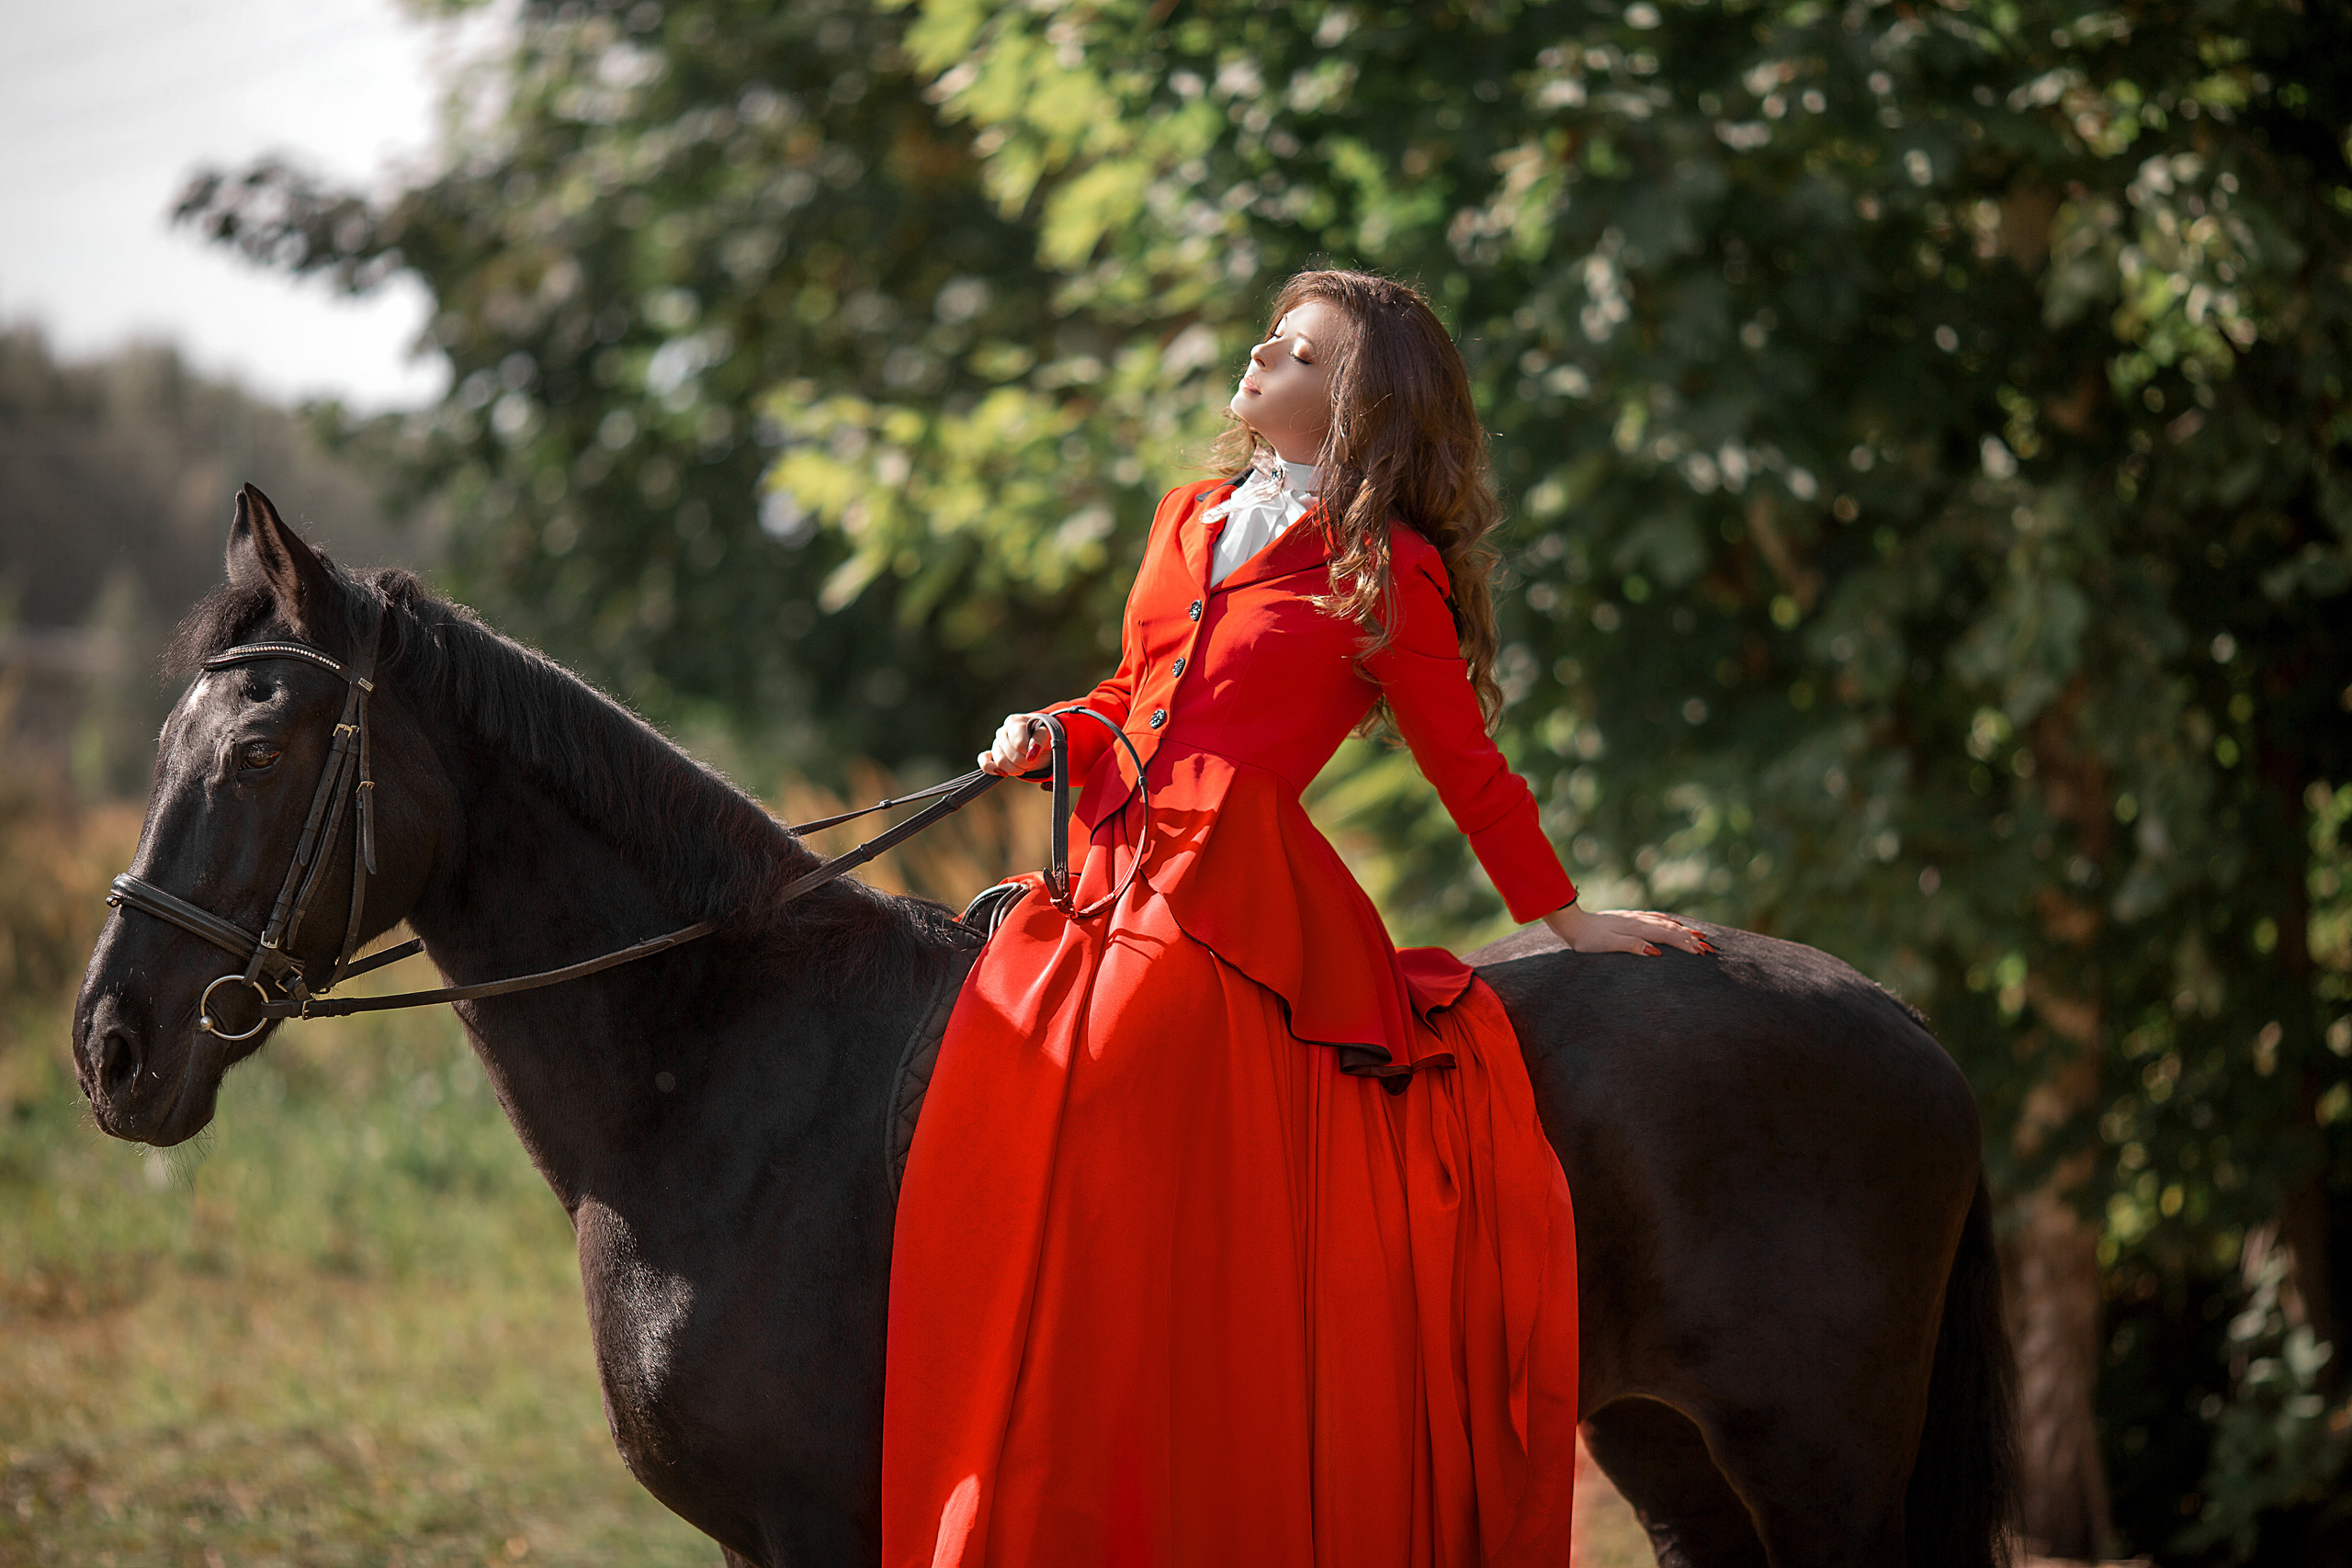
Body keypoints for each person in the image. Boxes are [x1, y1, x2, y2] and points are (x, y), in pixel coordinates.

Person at [882, 269, 1710, 1567]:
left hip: (1237, 891)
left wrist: (1563, 917)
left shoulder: (1390, 572)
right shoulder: (1184, 516)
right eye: (1273, 337)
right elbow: (1134, 689)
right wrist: (1055, 727)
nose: (1264, 354)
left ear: (1362, 406)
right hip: (1105, 858)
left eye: (1304, 351)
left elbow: (1466, 767)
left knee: (1117, 1072)